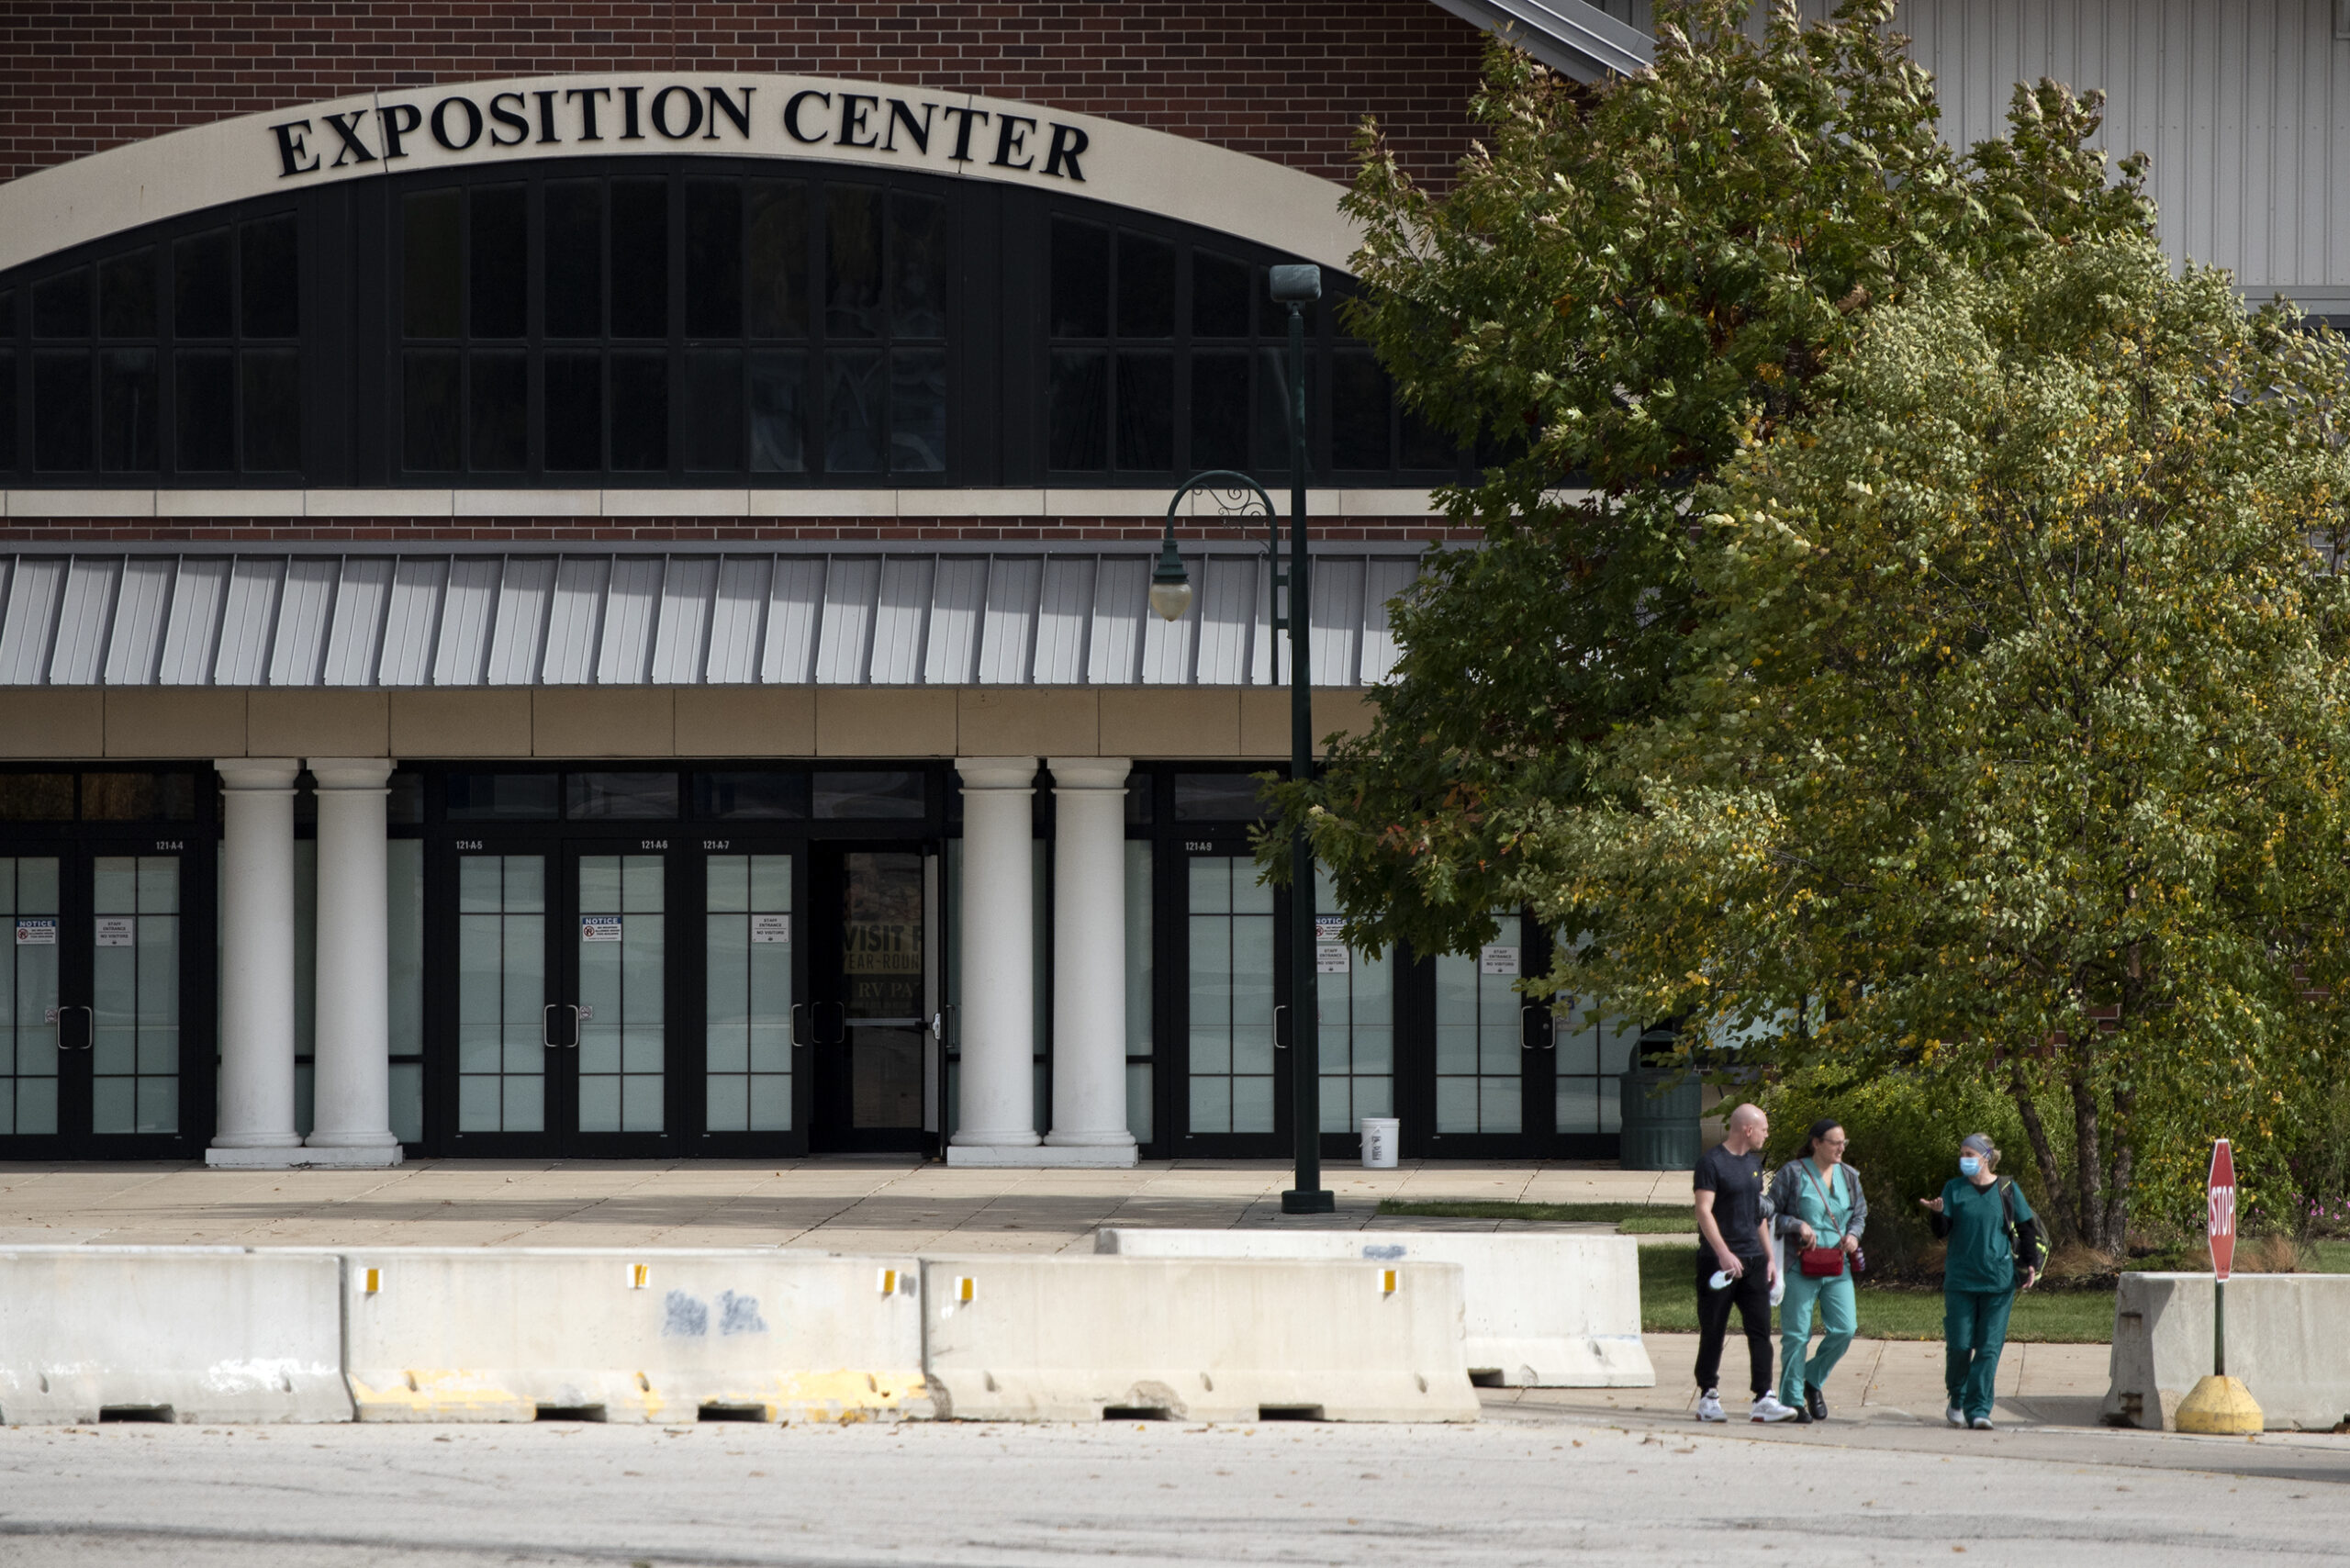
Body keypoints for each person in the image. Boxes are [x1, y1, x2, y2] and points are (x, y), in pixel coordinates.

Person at [1921, 1131, 2041, 1430]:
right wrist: (1937, 1213)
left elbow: (2027, 1228)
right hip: (1961, 1281)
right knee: (1960, 1345)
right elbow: (1942, 1231)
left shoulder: (2008, 1189)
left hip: (1998, 1282)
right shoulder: (1953, 1189)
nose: (1964, 1160)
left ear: (1986, 1157)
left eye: (1969, 1155)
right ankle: (1957, 1396)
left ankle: (1979, 1410)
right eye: (1961, 1154)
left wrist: (2030, 1264)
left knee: (1988, 1348)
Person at [1692, 1103, 1796, 1422]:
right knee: (1713, 1329)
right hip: (1718, 1262)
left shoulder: (1753, 1164)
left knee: (1760, 1331)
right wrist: (1724, 1253)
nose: (1767, 1134)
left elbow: (1757, 1214)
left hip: (1752, 1262)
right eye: (1764, 1128)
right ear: (1747, 1129)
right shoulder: (1711, 1163)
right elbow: (1703, 1210)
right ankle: (1708, 1396)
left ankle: (1763, 1397)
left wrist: (1769, 1258)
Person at [1767, 1117, 1867, 1423]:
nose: (1841, 1148)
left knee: (1845, 1329)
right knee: (1797, 1335)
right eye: (1835, 1142)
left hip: (1836, 1265)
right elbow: (1770, 1212)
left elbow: (1860, 1213)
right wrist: (1798, 1224)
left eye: (1844, 1143)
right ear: (1816, 1143)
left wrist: (1853, 1235)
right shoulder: (1792, 1173)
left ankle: (1812, 1378)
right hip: (1800, 1263)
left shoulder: (1849, 1175)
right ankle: (1792, 1400)